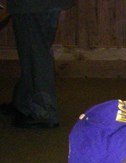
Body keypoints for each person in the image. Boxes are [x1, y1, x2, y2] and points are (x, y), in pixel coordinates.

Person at [3, 0, 75, 128]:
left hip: (32, 5)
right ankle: (23, 102)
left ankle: (44, 111)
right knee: (35, 52)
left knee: (35, 54)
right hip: (44, 4)